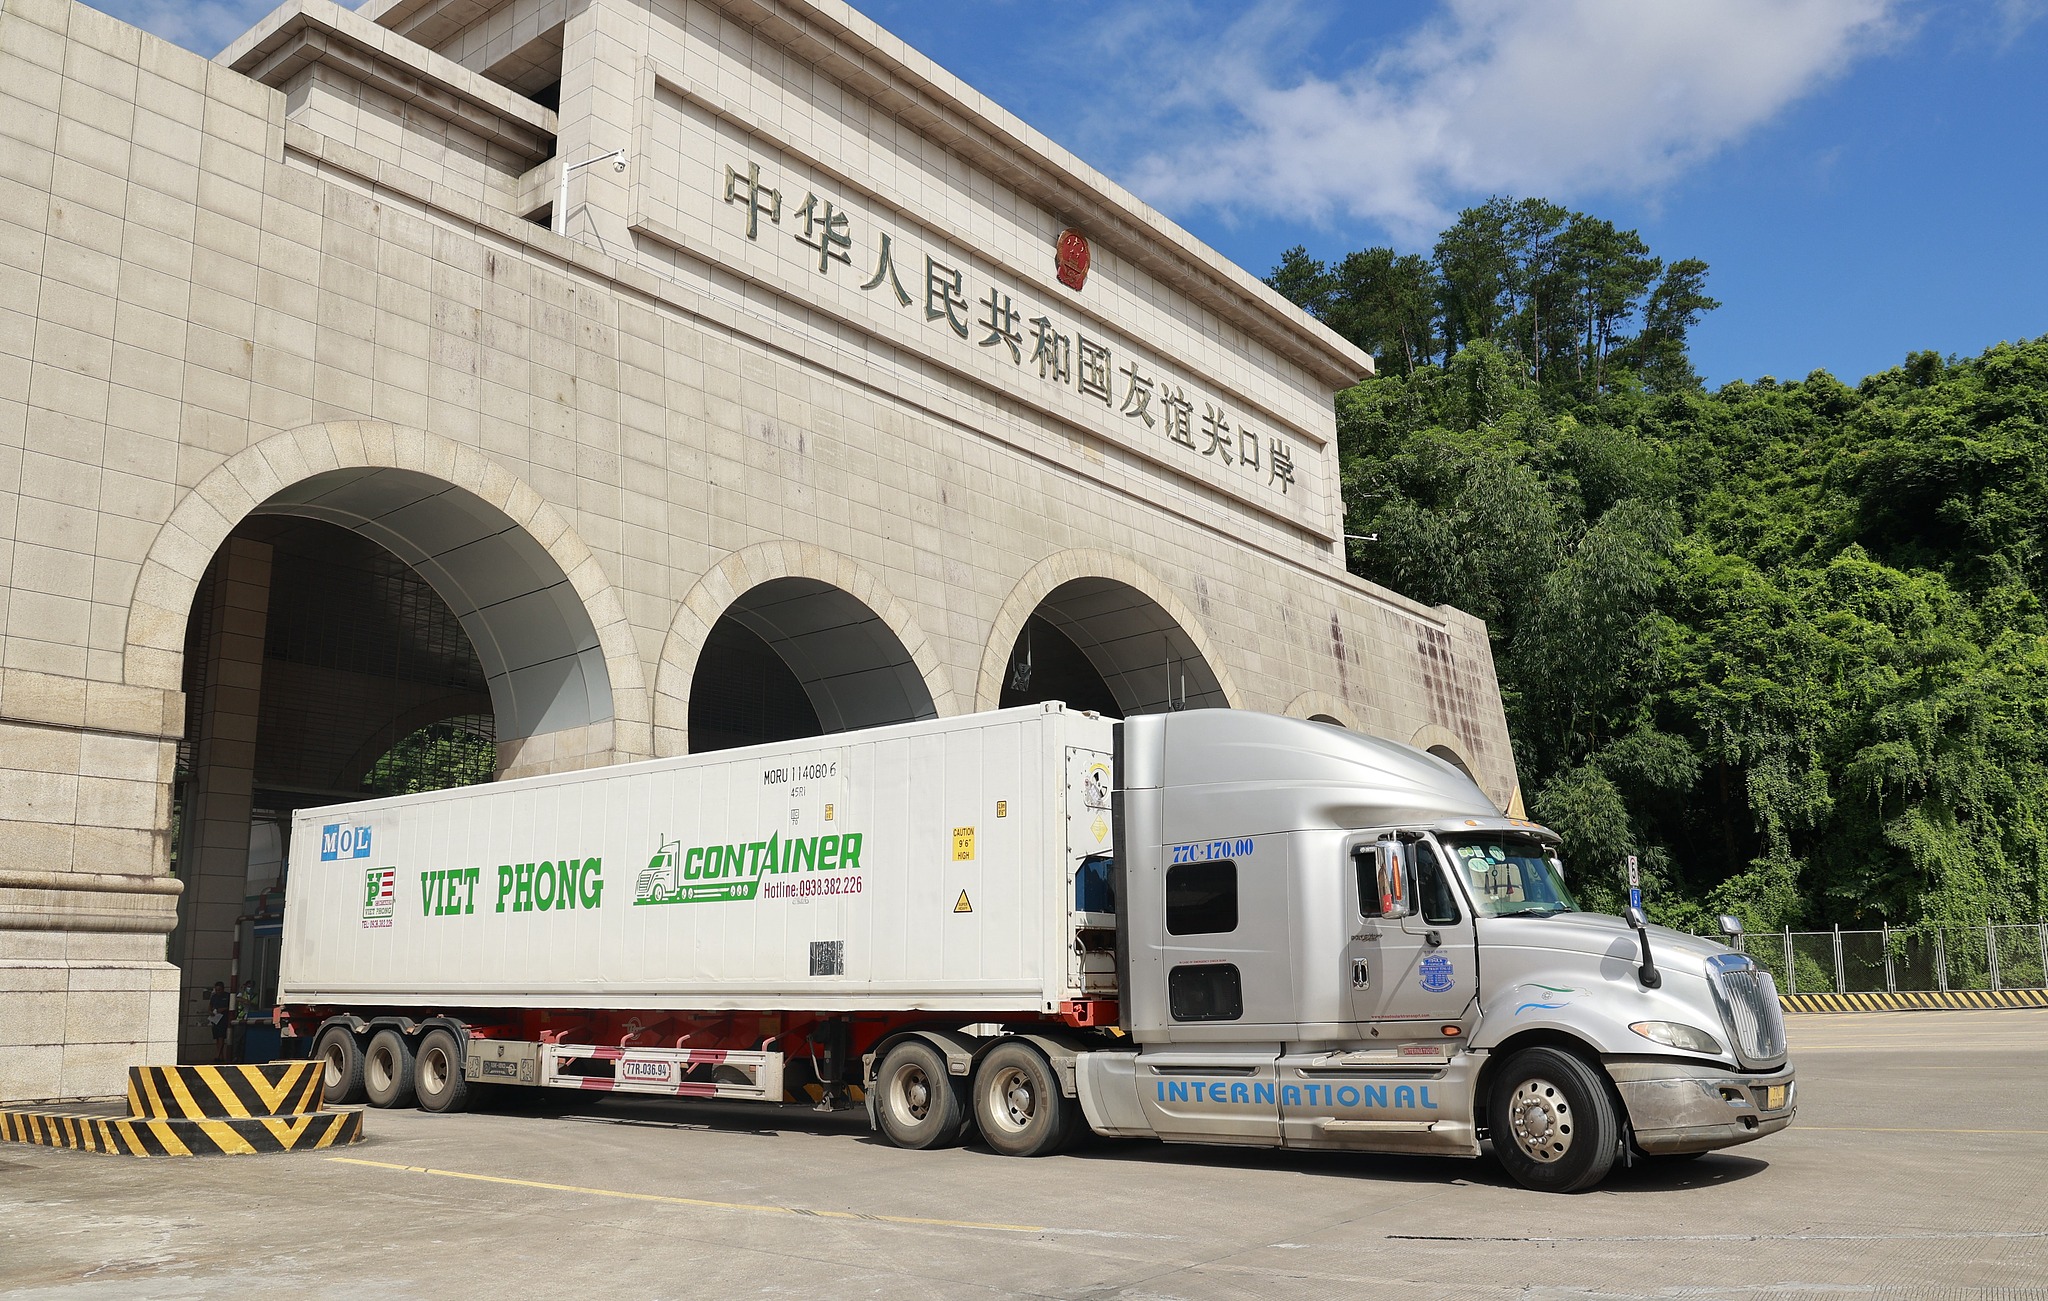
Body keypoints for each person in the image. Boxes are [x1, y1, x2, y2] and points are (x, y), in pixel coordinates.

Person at [207, 981, 231, 1062]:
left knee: (221, 1037)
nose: (218, 991)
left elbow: (231, 1007)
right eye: (216, 990)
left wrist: (223, 1009)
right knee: (217, 1037)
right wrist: (210, 1011)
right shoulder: (214, 997)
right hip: (215, 1018)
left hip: (223, 1019)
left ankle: (218, 1055)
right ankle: (220, 1056)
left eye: (219, 990)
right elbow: (210, 1006)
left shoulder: (228, 996)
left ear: (223, 989)